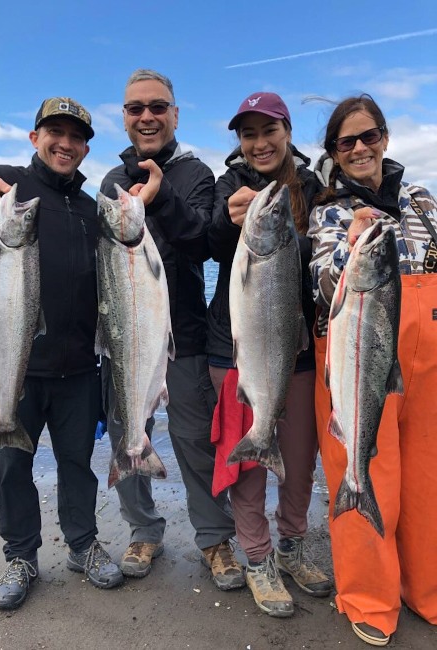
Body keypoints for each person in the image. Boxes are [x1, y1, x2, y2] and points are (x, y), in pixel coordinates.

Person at [0, 97, 124, 610]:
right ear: (35, 138)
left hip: (78, 371)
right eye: (55, 133)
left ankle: (83, 545)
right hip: (10, 366)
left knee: (78, 463)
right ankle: (21, 556)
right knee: (12, 465)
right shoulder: (4, 188)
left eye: (76, 137)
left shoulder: (94, 211)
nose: (65, 144)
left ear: (86, 147)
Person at [99, 69, 244, 590]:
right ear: (125, 118)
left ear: (175, 114)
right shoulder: (111, 182)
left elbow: (204, 241)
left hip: (184, 333)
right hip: (125, 335)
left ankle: (214, 537)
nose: (147, 117)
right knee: (125, 431)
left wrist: (160, 198)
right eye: (136, 108)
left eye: (157, 106)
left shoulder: (196, 173)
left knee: (192, 438)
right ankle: (144, 529)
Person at [308, 94, 437, 646]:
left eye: (369, 136)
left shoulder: (422, 199)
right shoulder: (328, 209)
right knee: (363, 470)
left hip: (428, 361)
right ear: (334, 152)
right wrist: (351, 248)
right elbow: (322, 283)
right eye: (347, 142)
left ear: (384, 137)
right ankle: (369, 597)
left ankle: (427, 587)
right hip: (357, 355)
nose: (360, 148)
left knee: (427, 479)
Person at [206, 91, 332, 618]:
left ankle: (292, 546)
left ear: (287, 131)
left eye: (268, 131)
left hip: (297, 349)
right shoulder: (228, 185)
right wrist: (224, 224)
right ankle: (256, 557)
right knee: (251, 466)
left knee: (300, 461)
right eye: (247, 134)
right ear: (239, 141)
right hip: (234, 350)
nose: (259, 143)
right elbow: (205, 244)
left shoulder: (315, 188)